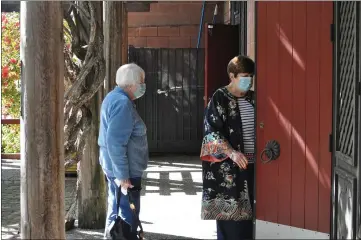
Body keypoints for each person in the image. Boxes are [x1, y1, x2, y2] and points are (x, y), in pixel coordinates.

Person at [200, 55, 255, 240]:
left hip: (254, 166)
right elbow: (211, 132)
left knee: (251, 221)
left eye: (251, 76)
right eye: (245, 76)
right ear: (232, 76)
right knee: (231, 222)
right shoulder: (220, 98)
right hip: (229, 170)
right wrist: (232, 152)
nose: (249, 80)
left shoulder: (254, 99)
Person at [98, 63, 149, 238]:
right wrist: (122, 176)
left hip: (117, 168)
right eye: (142, 82)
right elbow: (115, 142)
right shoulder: (122, 103)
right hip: (125, 171)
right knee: (127, 216)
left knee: (116, 209)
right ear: (132, 84)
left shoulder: (114, 98)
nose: (143, 86)